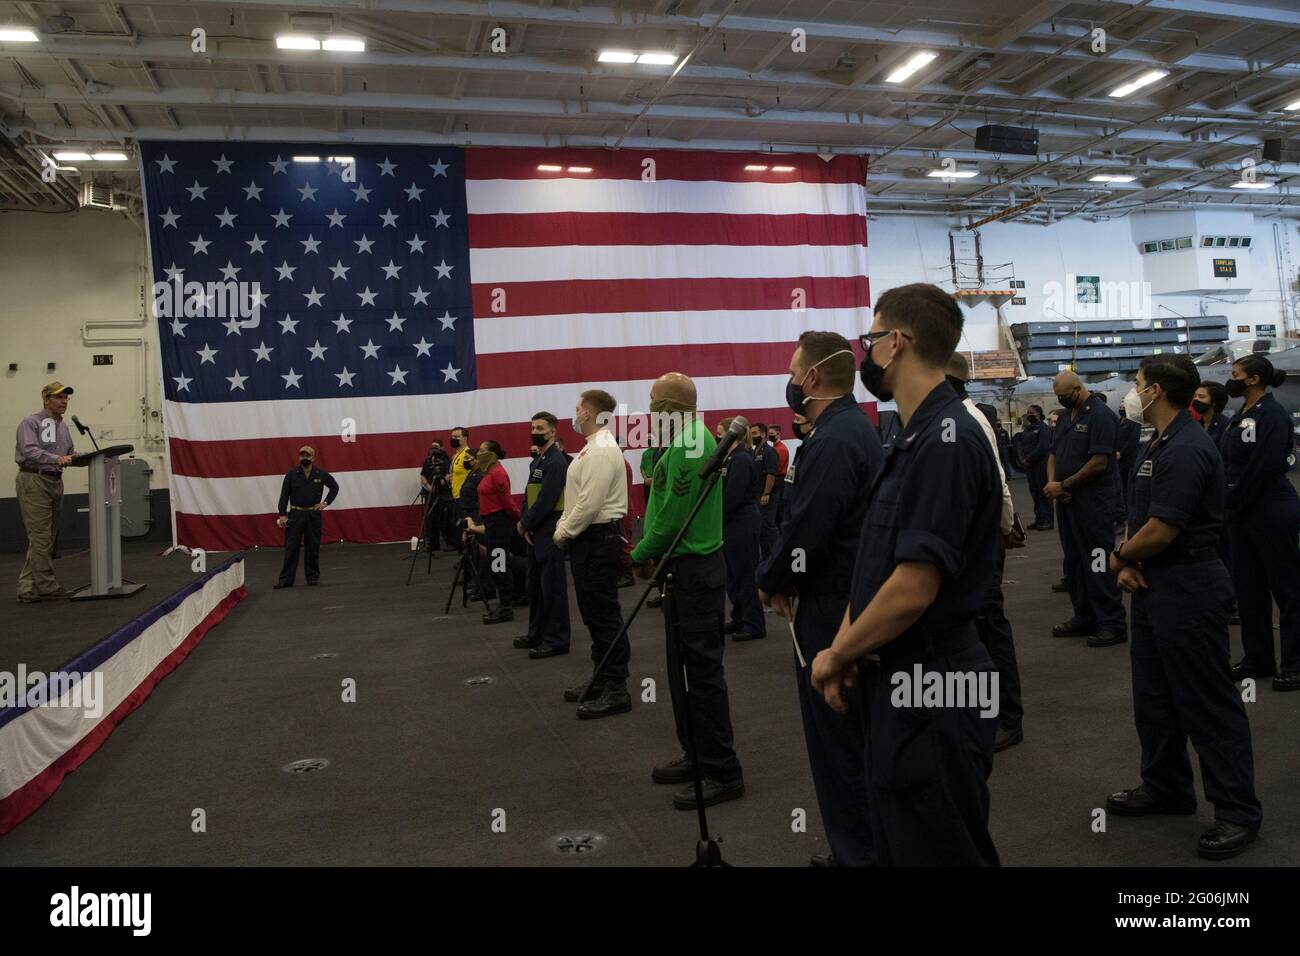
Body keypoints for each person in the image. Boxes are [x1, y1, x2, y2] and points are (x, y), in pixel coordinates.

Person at [811, 283, 1001, 866]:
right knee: (902, 840)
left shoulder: (946, 440)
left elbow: (914, 587)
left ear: (896, 343)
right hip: (901, 677)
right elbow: (877, 567)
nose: (865, 353)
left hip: (935, 681)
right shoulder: (909, 437)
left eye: (870, 339)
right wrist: (850, 645)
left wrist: (834, 655)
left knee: (940, 848)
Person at [1106, 359, 1262, 860]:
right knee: (1154, 697)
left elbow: (1164, 529)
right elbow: (1142, 516)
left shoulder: (1189, 447)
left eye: (1136, 385)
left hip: (1189, 585)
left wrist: (1121, 557)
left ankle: (1237, 812)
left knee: (1206, 700)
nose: (1132, 393)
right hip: (1155, 582)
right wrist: (1129, 557)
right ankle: (1167, 787)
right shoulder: (1159, 442)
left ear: (1155, 391)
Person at [758, 331, 881, 867]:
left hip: (832, 604)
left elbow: (808, 528)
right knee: (854, 738)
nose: (789, 383)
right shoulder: (854, 428)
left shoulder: (831, 440)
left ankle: (856, 854)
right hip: (846, 594)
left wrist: (771, 578)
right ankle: (863, 847)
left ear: (811, 379)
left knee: (838, 742)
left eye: (792, 372)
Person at [632, 372, 743, 811]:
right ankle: (697, 754)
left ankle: (722, 769)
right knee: (682, 673)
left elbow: (674, 514)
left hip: (695, 570)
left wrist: (640, 552)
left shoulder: (693, 442)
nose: (648, 411)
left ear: (670, 409)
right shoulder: (685, 441)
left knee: (701, 675)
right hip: (683, 570)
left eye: (654, 403)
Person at [950, 356, 1026, 753]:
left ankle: (1008, 717)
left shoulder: (970, 419)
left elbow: (997, 479)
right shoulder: (952, 417)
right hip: (965, 541)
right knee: (973, 630)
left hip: (980, 542)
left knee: (990, 627)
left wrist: (1006, 524)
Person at [1220, 355, 1300, 691]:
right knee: (1249, 588)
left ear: (1252, 380)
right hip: (1242, 512)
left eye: (1235, 375)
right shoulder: (1240, 415)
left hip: (1269, 508)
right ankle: (1259, 658)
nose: (1231, 379)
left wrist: (1232, 500)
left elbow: (1264, 466)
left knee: (1287, 588)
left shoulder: (1272, 414)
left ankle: (1295, 664)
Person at [554, 390, 631, 718]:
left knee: (604, 616)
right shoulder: (592, 447)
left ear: (588, 413)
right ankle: (601, 678)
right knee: (595, 616)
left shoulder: (600, 449)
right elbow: (578, 499)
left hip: (597, 541)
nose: (573, 414)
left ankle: (617, 688)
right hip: (590, 541)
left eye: (577, 409)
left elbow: (590, 503)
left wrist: (562, 531)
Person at [1046, 370, 1127, 647]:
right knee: (1075, 561)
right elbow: (1054, 453)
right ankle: (1084, 616)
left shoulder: (1101, 416)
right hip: (1068, 502)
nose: (1061, 400)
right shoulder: (1065, 416)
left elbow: (1099, 463)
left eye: (1064, 395)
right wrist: (1054, 484)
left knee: (1096, 559)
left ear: (1078, 388)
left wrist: (1064, 485)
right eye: (1058, 396)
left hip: (1094, 502)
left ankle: (1112, 622)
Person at [515, 412, 572, 658]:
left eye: (540, 428)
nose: (535, 432)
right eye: (533, 427)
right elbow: (531, 494)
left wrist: (525, 523)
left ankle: (557, 639)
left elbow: (547, 500)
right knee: (535, 587)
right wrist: (524, 521)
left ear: (552, 432)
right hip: (535, 530)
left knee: (552, 587)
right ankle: (536, 633)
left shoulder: (555, 461)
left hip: (548, 531)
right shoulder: (539, 460)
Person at [15, 382, 76, 603]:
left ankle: (27, 588)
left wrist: (89, 457)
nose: (63, 401)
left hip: (54, 480)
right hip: (34, 479)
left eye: (66, 398)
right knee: (41, 536)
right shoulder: (31, 422)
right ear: (46, 399)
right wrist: (55, 459)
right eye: (59, 397)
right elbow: (29, 450)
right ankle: (47, 586)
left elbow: (68, 453)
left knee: (45, 537)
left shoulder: (62, 427)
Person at [718, 417, 765, 643]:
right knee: (733, 576)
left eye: (720, 434)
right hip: (731, 523)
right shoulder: (730, 459)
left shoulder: (742, 460)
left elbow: (733, 497)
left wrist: (716, 517)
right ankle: (739, 617)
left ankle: (753, 623)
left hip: (742, 522)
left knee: (745, 574)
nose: (718, 438)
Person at [469, 440, 522, 624]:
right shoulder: (489, 472)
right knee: (495, 564)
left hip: (499, 524)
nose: (478, 453)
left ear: (492, 454)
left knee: (500, 564)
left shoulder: (498, 473)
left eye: (482, 451)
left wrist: (519, 521)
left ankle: (506, 607)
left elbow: (507, 502)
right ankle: (504, 604)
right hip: (491, 524)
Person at [274, 445, 339, 588]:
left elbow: (334, 487)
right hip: (295, 514)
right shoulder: (291, 474)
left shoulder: (320, 474)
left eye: (307, 456)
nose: (305, 458)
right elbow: (284, 496)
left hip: (313, 515)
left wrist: (325, 502)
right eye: (302, 455)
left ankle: (312, 577)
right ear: (299, 457)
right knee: (291, 547)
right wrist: (283, 514)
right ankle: (286, 579)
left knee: (312, 546)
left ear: (313, 458)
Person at [1019, 405, 1053, 530]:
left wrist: (1029, 459)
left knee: (1043, 492)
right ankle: (1039, 519)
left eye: (1031, 412)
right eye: (1028, 412)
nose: (1029, 414)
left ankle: (1048, 520)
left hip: (1041, 464)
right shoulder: (1027, 429)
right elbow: (1023, 445)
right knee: (1034, 492)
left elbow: (1042, 447)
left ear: (1039, 413)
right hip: (1030, 466)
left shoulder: (1044, 428)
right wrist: (1023, 458)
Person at [750, 422, 780, 559]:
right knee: (760, 527)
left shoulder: (769, 451)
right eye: (751, 434)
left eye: (754, 433)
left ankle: (779, 552)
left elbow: (771, 473)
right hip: (756, 494)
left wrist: (766, 493)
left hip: (767, 494)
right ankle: (767, 555)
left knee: (767, 526)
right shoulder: (755, 451)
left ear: (763, 434)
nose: (752, 436)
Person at [418, 439, 450, 553]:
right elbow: (423, 475)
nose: (434, 449)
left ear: (442, 448)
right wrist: (430, 487)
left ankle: (449, 543)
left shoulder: (446, 460)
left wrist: (440, 484)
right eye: (432, 447)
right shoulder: (427, 460)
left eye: (436, 447)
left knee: (444, 518)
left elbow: (449, 474)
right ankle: (432, 544)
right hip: (430, 493)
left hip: (443, 493)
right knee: (430, 518)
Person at [447, 426, 472, 551]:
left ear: (465, 438)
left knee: (464, 530)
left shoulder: (467, 455)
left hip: (463, 498)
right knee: (457, 529)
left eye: (456, 437)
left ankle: (467, 557)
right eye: (452, 437)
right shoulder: (457, 454)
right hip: (455, 496)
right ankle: (463, 556)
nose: (453, 439)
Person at [767, 424, 790, 527]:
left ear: (778, 434)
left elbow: (776, 468)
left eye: (772, 434)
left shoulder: (781, 449)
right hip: (777, 479)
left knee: (778, 510)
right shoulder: (775, 447)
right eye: (769, 434)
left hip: (779, 481)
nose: (770, 436)